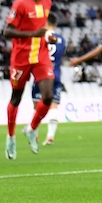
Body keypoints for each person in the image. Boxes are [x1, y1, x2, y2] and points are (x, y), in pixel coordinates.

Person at [3, 0, 54, 159]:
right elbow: (7, 31)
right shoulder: (20, 3)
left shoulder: (47, 2)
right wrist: (32, 35)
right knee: (16, 98)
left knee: (48, 96)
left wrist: (48, 36)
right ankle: (11, 137)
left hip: (41, 55)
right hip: (21, 57)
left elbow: (40, 28)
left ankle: (32, 129)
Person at [30, 13, 66, 145]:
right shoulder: (61, 39)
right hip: (55, 74)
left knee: (37, 105)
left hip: (42, 75)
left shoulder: (40, 37)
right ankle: (50, 136)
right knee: (53, 106)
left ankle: (34, 133)